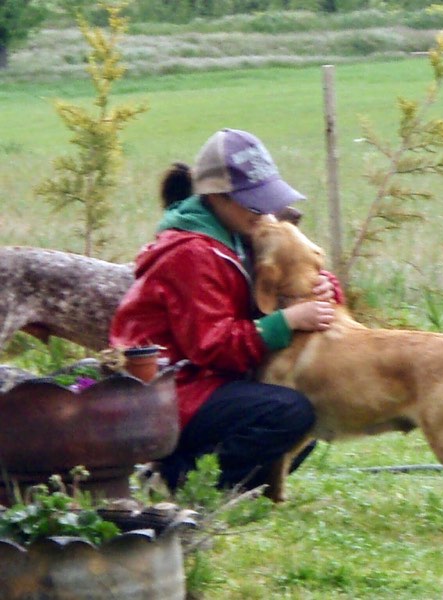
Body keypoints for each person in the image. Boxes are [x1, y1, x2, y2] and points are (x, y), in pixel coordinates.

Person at [110, 128, 342, 494]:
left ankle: (231, 483)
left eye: (266, 201)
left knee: (304, 419)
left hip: (209, 382)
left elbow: (287, 273)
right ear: (217, 197)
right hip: (170, 390)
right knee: (289, 413)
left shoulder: (237, 235)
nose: (265, 213)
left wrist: (323, 288)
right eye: (254, 203)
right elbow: (212, 345)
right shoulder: (191, 254)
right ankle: (182, 479)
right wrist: (287, 321)